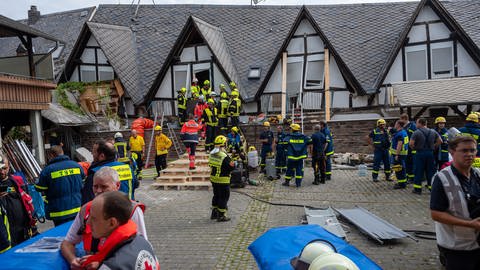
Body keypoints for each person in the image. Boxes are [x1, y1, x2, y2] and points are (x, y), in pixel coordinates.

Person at [61, 167, 147, 270]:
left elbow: (140, 250)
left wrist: (101, 263)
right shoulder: (85, 210)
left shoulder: (131, 211)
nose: (98, 191)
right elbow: (67, 243)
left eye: (104, 187)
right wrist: (73, 260)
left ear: (117, 186)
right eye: (95, 186)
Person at [430, 136, 480, 270]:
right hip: (456, 248)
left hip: (477, 244)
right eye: (464, 151)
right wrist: (469, 224)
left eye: (472, 150)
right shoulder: (442, 178)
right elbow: (436, 214)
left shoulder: (477, 175)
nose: (469, 154)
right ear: (452, 152)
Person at [78, 191, 158, 270]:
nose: (88, 222)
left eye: (94, 219)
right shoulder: (143, 242)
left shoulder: (112, 266)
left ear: (112, 223)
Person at [36, 146, 85, 226]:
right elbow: (83, 182)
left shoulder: (48, 170)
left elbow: (40, 188)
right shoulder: (76, 166)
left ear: (51, 155)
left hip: (59, 212)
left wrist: (37, 182)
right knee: (76, 233)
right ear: (62, 153)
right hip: (77, 207)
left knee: (62, 235)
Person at [0, 155, 37, 253]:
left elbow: (27, 200)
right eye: (0, 168)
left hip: (21, 226)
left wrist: (32, 221)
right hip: (5, 230)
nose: (2, 172)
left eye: (4, 168)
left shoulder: (17, 181)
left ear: (9, 167)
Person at [409, 118, 442, 194]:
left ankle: (417, 189)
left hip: (420, 153)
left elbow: (411, 144)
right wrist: (433, 147)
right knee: (430, 171)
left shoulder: (416, 132)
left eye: (417, 123)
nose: (416, 125)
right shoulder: (433, 131)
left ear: (420, 123)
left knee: (418, 171)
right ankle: (432, 188)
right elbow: (440, 141)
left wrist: (415, 148)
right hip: (430, 153)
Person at [208, 135, 235, 222]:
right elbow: (231, 167)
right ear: (223, 145)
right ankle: (221, 215)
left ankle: (214, 213)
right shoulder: (224, 156)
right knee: (224, 197)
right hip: (223, 179)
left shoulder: (211, 153)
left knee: (216, 195)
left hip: (214, 179)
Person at [282, 123, 312, 188]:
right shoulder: (303, 136)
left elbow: (284, 143)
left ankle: (287, 182)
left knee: (289, 169)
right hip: (300, 157)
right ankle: (298, 184)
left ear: (292, 129)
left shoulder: (289, 136)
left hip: (291, 156)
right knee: (299, 169)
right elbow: (310, 141)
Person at [391, 120, 409, 189]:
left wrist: (396, 155)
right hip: (403, 154)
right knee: (402, 168)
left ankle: (401, 184)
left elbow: (399, 144)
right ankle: (403, 182)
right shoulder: (403, 132)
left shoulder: (400, 134)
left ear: (398, 125)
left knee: (398, 169)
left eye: (396, 124)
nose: (395, 125)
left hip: (399, 154)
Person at [400, 113, 417, 183]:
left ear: (405, 119)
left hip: (412, 148)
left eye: (401, 119)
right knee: (407, 163)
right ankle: (407, 176)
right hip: (406, 148)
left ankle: (412, 178)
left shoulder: (412, 126)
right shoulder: (404, 126)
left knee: (411, 163)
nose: (400, 121)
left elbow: (416, 136)